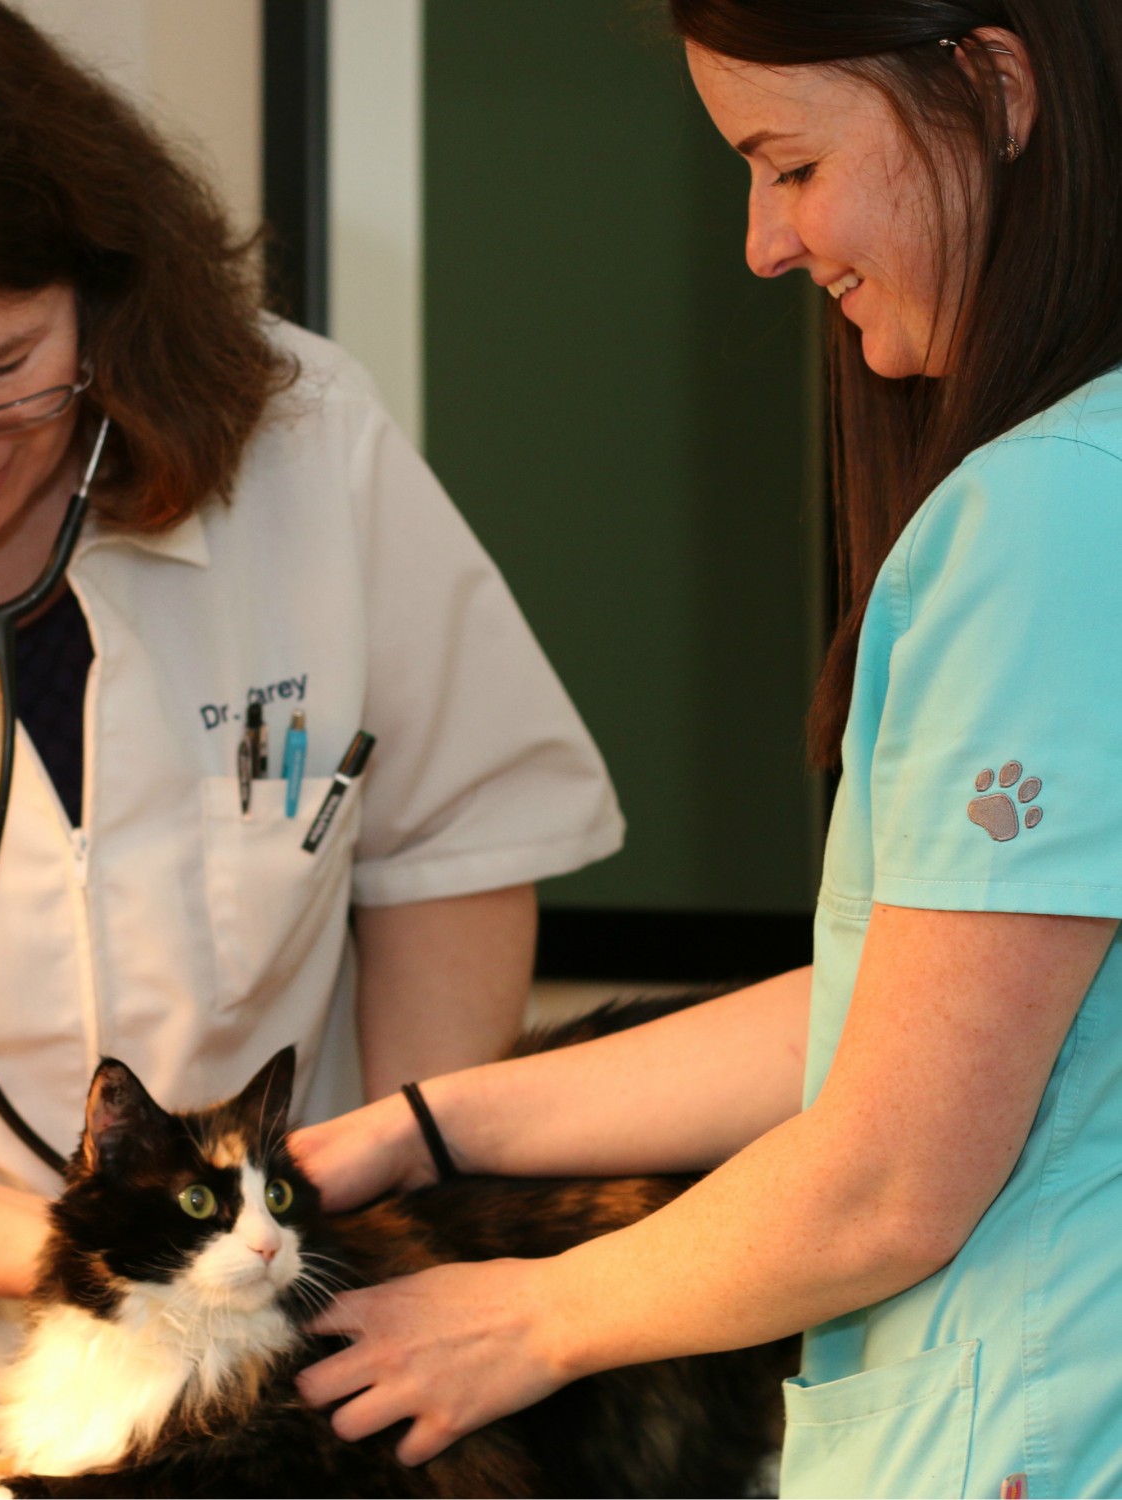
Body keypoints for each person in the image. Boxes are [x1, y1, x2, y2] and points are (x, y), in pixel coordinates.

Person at [0, 0, 623, 1468]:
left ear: (102, 294)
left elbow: (456, 845)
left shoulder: (302, 441)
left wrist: (401, 1234)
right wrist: (91, 1258)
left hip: (268, 1372)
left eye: (5, 371)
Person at [294, 3, 1122, 1495]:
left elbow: (887, 1175)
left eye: (789, 165)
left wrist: (525, 1320)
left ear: (995, 90)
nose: (764, 243)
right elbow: (915, 1010)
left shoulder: (1053, 517)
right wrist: (431, 1129)